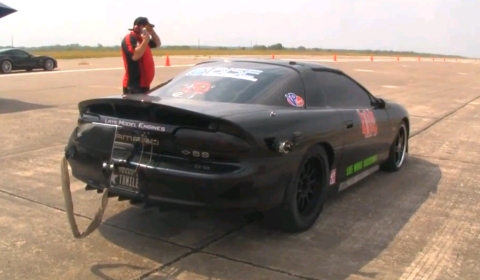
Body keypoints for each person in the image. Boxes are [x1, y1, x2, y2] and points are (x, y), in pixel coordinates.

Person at [121, 17, 162, 94]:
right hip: (134, 85)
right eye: (145, 27)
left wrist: (152, 33)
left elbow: (158, 44)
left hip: (144, 84)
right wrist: (145, 41)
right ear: (137, 27)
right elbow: (135, 56)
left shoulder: (142, 39)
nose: (147, 29)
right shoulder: (130, 38)